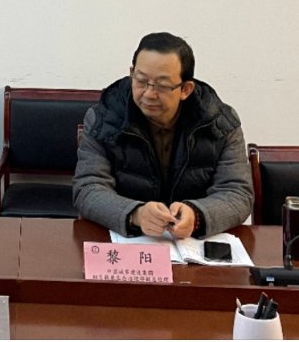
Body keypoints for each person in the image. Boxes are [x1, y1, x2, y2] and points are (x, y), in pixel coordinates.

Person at [73, 33, 253, 238]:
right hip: (128, 240)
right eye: (141, 80)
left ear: (185, 89)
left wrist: (197, 215)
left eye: (162, 85)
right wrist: (136, 214)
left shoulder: (220, 123)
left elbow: (238, 194)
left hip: (192, 244)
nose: (149, 94)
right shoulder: (104, 118)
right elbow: (87, 189)